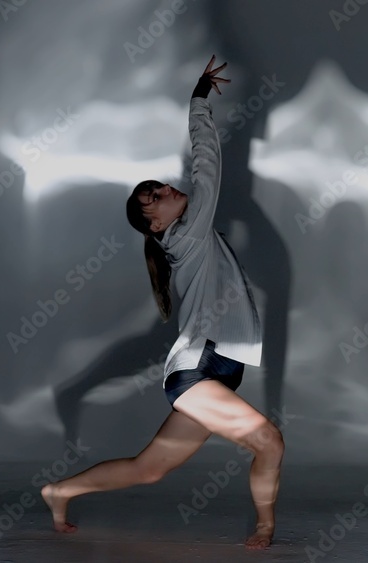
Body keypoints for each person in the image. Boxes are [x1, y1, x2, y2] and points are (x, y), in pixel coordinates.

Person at [41, 55, 283, 550]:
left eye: (159, 188)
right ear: (157, 225)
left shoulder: (190, 238)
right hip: (198, 372)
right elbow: (208, 162)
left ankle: (58, 490)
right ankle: (264, 528)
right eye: (153, 197)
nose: (165, 190)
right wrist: (198, 100)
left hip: (213, 369)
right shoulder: (188, 231)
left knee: (147, 470)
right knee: (269, 441)